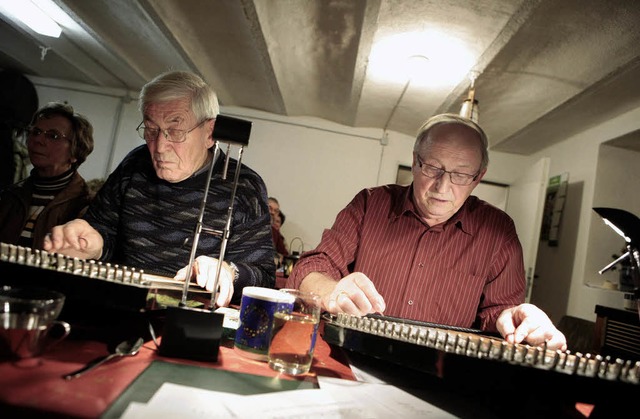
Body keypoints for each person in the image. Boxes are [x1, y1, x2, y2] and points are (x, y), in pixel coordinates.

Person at [286, 113, 567, 350]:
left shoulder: (499, 233)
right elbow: (311, 267)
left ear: (479, 177)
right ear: (415, 161)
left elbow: (496, 314)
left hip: (439, 375)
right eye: (433, 168)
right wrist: (332, 290)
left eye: (460, 175)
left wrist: (514, 317)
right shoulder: (371, 204)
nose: (442, 187)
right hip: (353, 353)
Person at [43, 70, 275, 307]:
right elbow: (104, 232)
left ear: (209, 133)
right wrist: (94, 244)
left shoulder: (244, 186)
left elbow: (264, 276)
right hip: (123, 305)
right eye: (151, 130)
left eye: (175, 131)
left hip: (189, 318)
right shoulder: (135, 165)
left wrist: (229, 271)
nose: (160, 146)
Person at [0, 102, 94, 250]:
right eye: (35, 132)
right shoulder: (10, 195)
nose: (38, 140)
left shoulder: (86, 204)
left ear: (75, 152)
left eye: (53, 136)